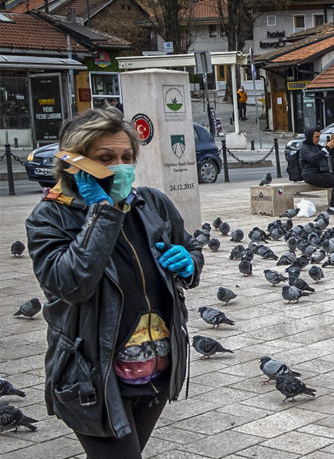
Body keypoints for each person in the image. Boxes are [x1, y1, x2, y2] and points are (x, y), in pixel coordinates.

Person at [24, 107, 203, 459]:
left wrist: (190, 262)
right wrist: (101, 213)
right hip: (93, 379)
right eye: (105, 158)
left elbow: (191, 246)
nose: (120, 166)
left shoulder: (152, 203)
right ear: (76, 164)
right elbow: (71, 284)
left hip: (154, 372)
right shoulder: (50, 216)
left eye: (127, 156)